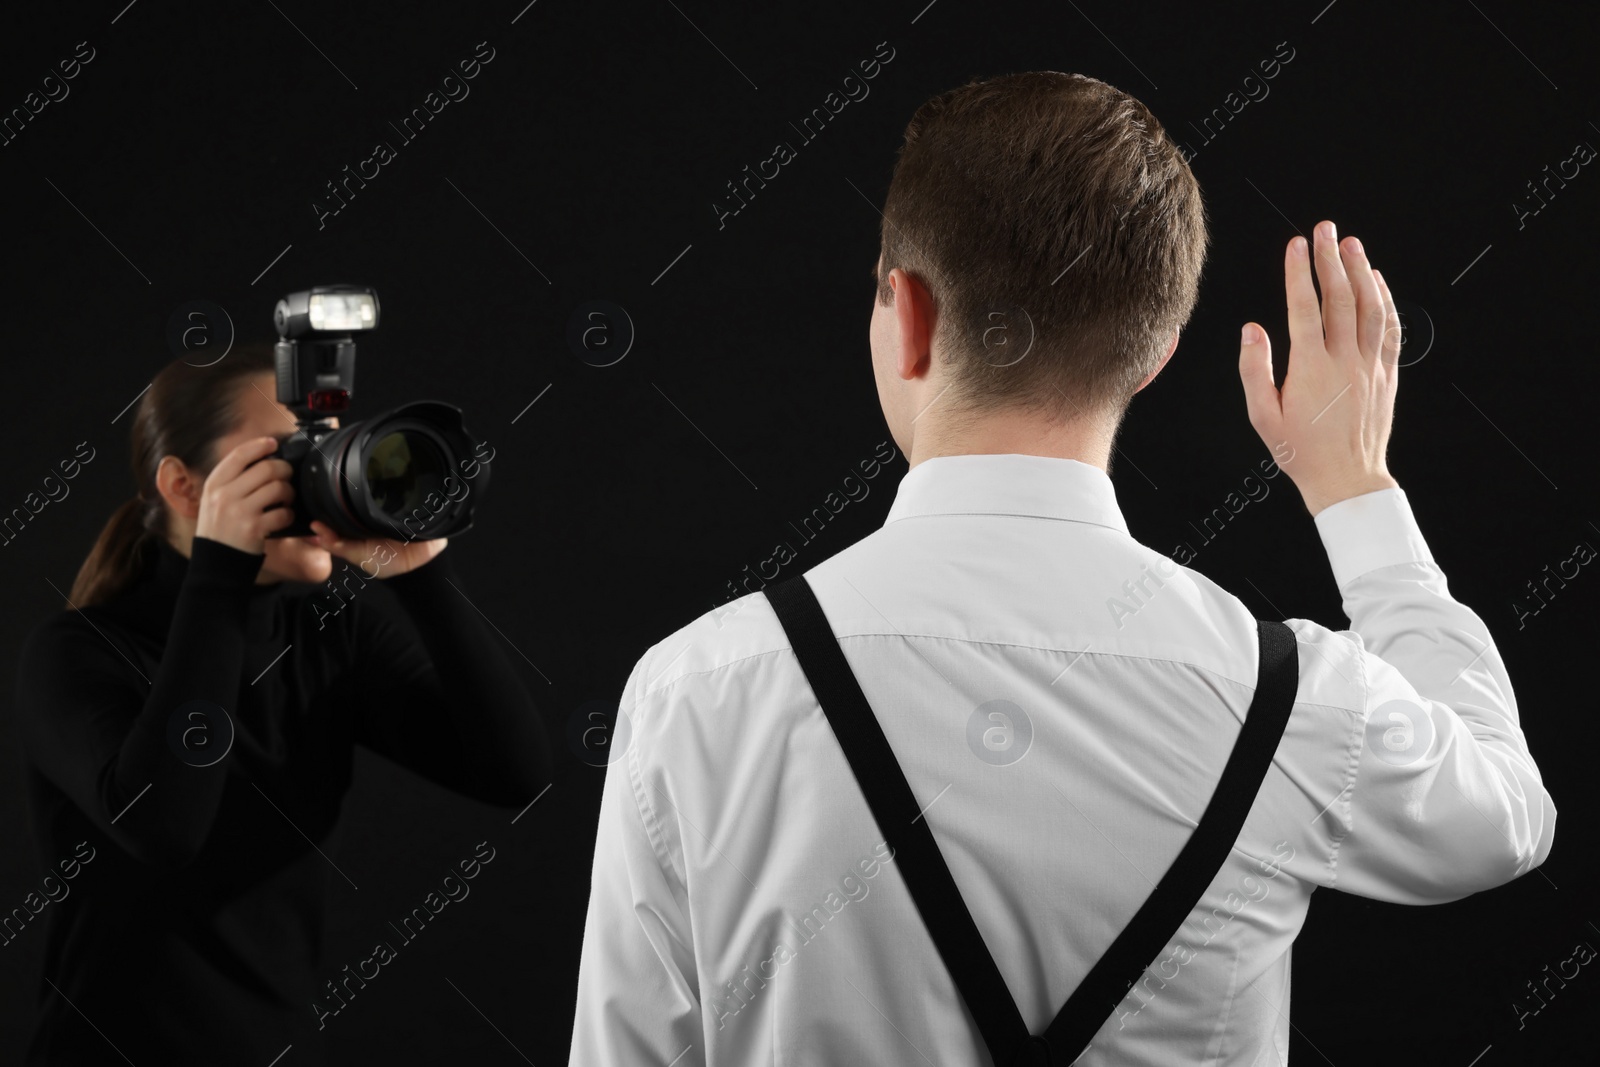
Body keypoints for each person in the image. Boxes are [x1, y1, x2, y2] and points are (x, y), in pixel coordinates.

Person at [568, 71, 1556, 1065]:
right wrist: (1355, 490)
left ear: (904, 312)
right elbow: (1504, 813)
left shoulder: (695, 688)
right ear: (1155, 354)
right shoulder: (1289, 699)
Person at [12, 343, 550, 1066]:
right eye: (286, 456)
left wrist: (422, 577)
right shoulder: (74, 652)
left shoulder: (329, 635)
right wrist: (220, 574)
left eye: (325, 449)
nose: (319, 475)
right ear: (185, 487)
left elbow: (513, 772)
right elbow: (164, 828)